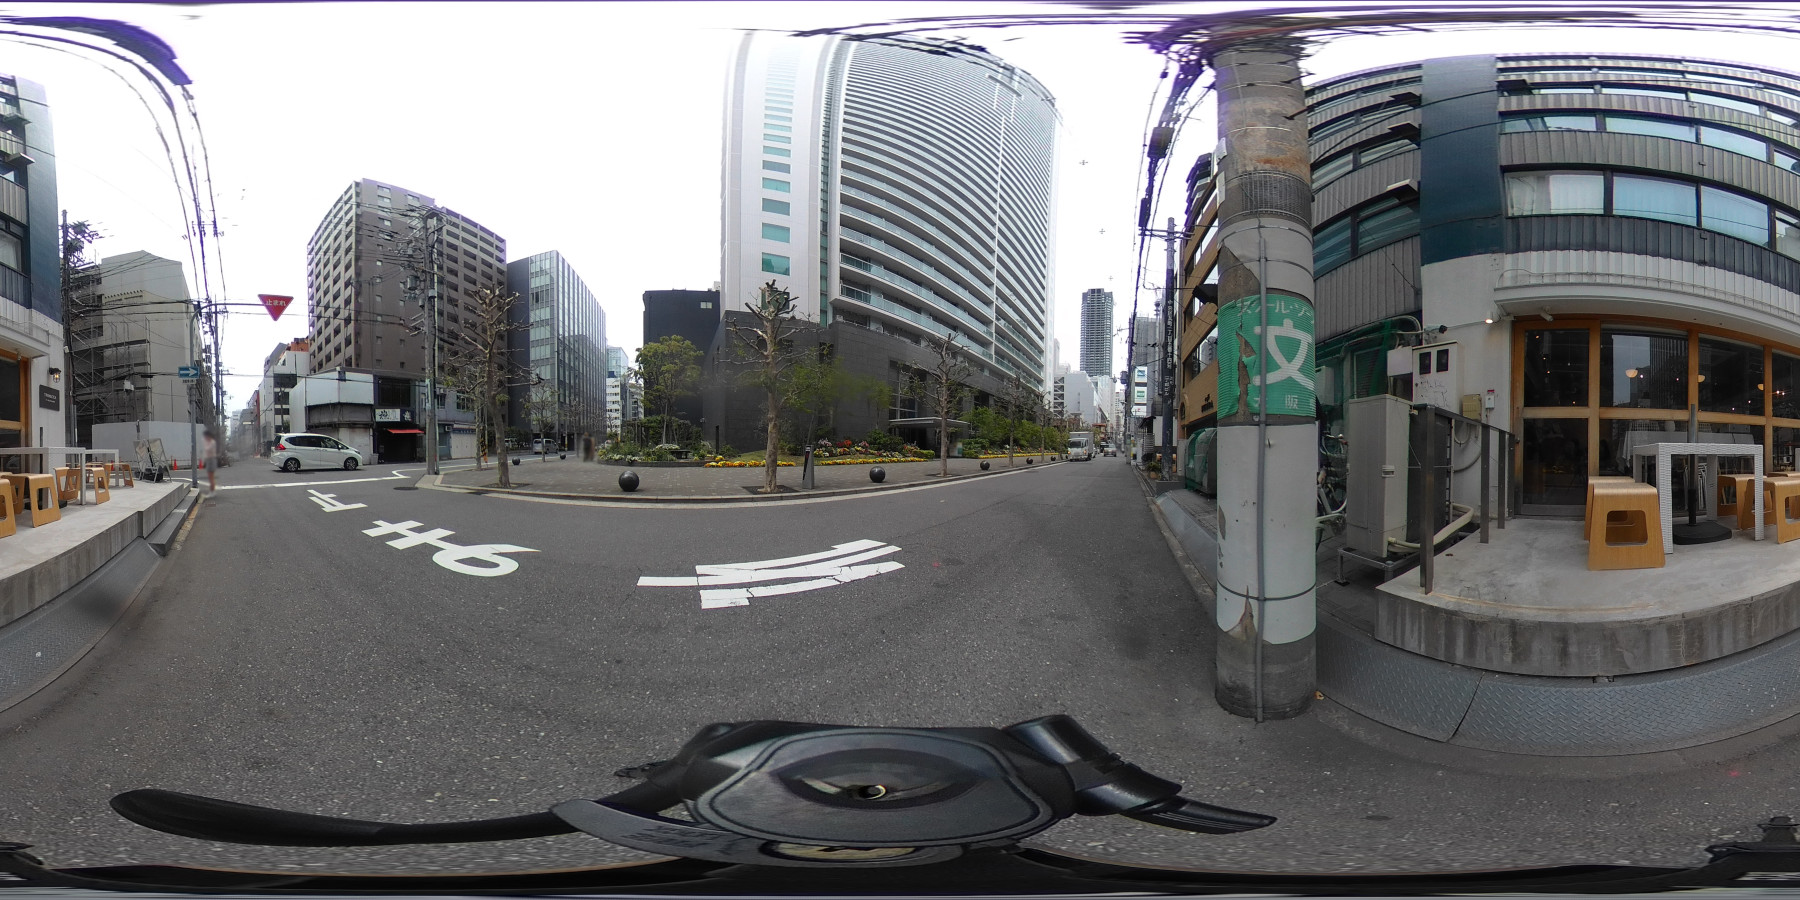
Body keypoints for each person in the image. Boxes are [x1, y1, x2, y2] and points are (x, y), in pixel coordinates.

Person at [202, 429, 218, 494]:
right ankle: (212, 491)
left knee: (211, 477)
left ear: (208, 436)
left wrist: (205, 442)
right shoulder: (208, 442)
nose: (205, 437)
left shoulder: (212, 442)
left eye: (206, 436)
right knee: (210, 477)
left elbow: (207, 449)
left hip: (211, 460)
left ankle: (212, 492)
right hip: (209, 460)